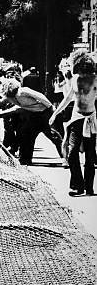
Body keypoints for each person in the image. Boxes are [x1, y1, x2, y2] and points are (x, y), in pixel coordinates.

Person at [0, 78, 62, 165]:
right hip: (34, 116)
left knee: (53, 136)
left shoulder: (23, 91)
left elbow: (40, 96)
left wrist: (51, 108)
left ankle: (65, 156)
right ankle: (25, 160)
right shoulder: (11, 98)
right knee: (27, 136)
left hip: (45, 114)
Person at [49, 51, 97, 196]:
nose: (82, 74)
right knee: (71, 153)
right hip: (76, 119)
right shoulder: (75, 79)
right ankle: (78, 185)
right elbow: (68, 98)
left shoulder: (95, 80)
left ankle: (89, 188)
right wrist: (55, 113)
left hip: (91, 120)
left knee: (90, 157)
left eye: (85, 71)